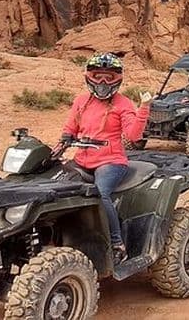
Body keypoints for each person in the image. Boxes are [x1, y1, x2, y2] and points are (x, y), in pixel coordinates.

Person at [61, 52, 152, 265]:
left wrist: (144, 109)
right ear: (89, 76)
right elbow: (70, 126)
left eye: (108, 78)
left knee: (100, 195)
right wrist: (65, 137)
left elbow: (133, 135)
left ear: (117, 80)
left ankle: (117, 244)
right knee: (57, 188)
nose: (102, 82)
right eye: (98, 76)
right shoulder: (81, 101)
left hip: (110, 162)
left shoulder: (123, 103)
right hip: (82, 160)